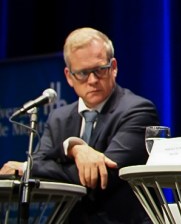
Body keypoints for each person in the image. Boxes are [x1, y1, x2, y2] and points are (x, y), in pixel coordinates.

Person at [1, 27, 159, 224]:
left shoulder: (137, 110)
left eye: (100, 69)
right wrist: (73, 149)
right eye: (83, 73)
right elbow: (40, 163)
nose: (92, 80)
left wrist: (29, 167)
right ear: (69, 76)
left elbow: (102, 176)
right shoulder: (59, 117)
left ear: (114, 67)